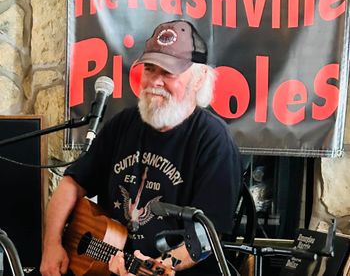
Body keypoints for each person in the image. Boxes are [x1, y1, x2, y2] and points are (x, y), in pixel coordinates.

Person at [40, 20, 242, 276]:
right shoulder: (124, 123)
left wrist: (159, 267)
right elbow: (71, 184)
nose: (155, 81)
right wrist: (52, 244)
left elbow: (204, 237)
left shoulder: (214, 140)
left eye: (168, 73)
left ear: (199, 78)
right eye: (149, 69)